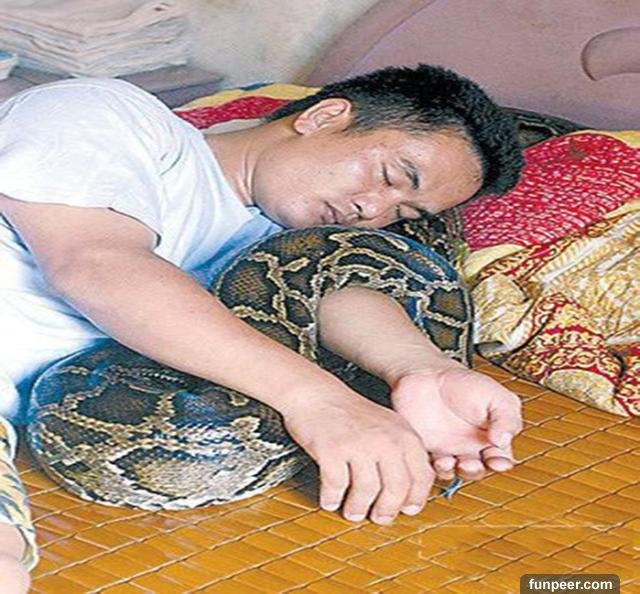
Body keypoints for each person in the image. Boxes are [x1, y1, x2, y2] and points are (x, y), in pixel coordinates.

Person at [0, 64, 523, 591]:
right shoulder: (108, 113)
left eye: (402, 213)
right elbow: (96, 264)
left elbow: (336, 295)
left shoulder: (270, 243)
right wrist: (323, 402)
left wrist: (423, 369)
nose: (371, 209)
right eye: (390, 176)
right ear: (324, 117)